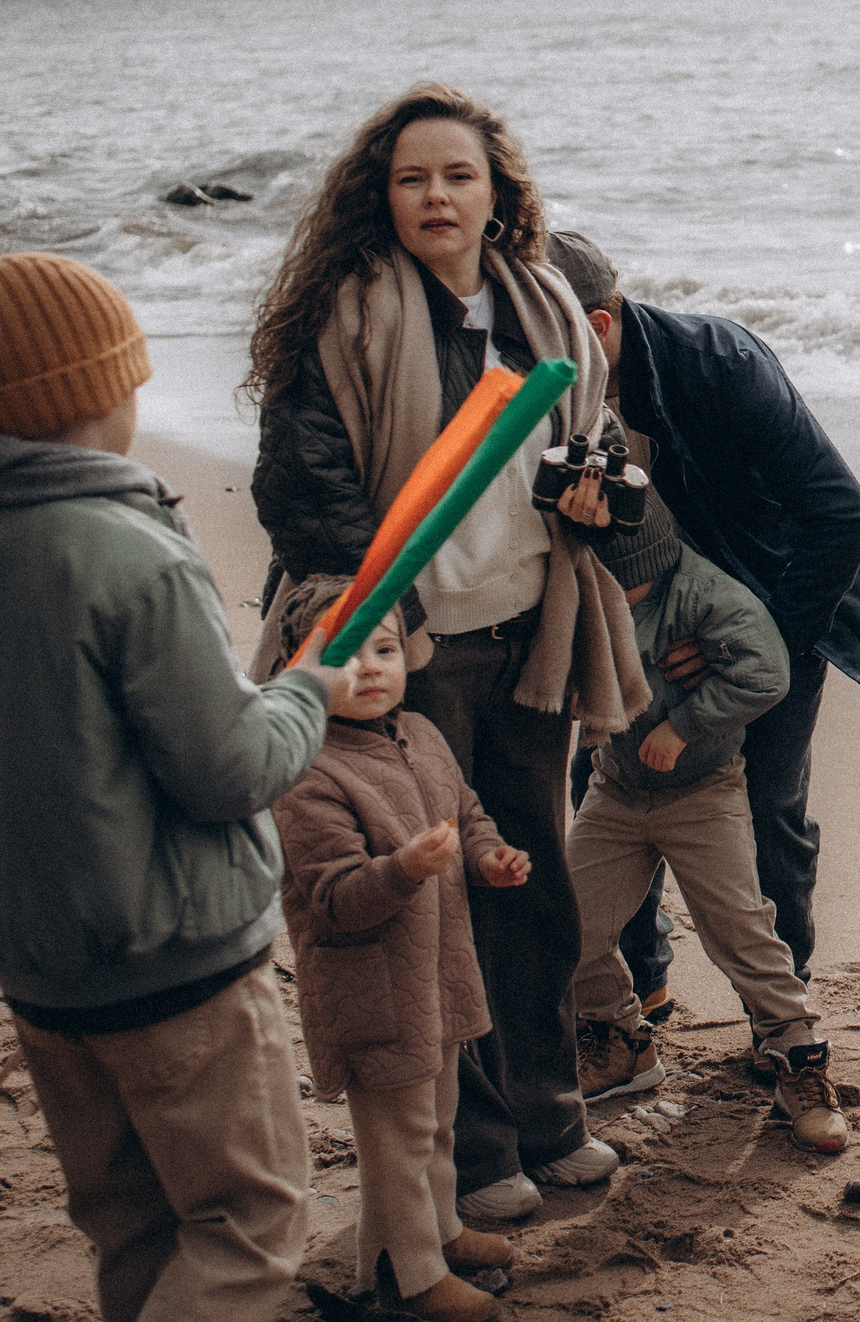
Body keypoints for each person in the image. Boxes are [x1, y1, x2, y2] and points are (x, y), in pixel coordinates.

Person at [0, 252, 355, 1322]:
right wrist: (309, 689)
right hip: (175, 969)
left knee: (133, 1224)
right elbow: (231, 768)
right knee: (249, 1227)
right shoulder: (133, 554)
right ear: (108, 384)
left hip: (39, 972)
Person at [247, 84, 656, 1227]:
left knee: (529, 883)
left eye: (458, 175)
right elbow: (300, 488)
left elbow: (604, 456)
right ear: (381, 195)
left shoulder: (545, 307)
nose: (437, 195)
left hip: (534, 638)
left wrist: (597, 497)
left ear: (496, 192)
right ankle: (473, 1154)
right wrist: (383, 620)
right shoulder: (346, 315)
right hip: (409, 651)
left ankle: (549, 1117)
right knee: (436, 902)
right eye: (413, 177)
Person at [542, 231, 860, 1001]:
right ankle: (642, 991)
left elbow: (843, 519)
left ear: (597, 326)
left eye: (536, 339)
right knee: (603, 785)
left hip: (785, 593)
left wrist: (747, 646)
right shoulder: (550, 396)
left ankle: (783, 1012)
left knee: (765, 807)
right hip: (647, 610)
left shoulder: (722, 366)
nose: (522, 360)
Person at [268, 580, 531, 1322]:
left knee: (438, 1118)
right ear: (300, 667)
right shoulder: (309, 770)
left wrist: (486, 856)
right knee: (397, 1139)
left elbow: (465, 811)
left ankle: (438, 1232)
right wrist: (406, 868)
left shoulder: (420, 732)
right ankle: (412, 1276)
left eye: (383, 649)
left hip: (436, 975)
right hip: (370, 990)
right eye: (343, 654)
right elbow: (335, 898)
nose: (369, 668)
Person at [563, 517, 852, 1155]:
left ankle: (800, 1060)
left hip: (703, 792)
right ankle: (619, 1040)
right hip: (615, 789)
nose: (617, 599)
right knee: (569, 923)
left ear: (658, 565)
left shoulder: (706, 593)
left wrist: (685, 726)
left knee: (742, 932)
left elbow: (767, 672)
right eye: (603, 582)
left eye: (628, 588)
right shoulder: (578, 586)